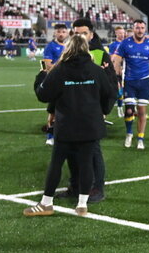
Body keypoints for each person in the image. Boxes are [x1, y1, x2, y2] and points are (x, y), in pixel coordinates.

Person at [23, 33, 114, 218]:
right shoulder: (96, 70)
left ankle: (46, 203)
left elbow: (43, 95)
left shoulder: (60, 69)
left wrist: (40, 76)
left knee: (56, 163)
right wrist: (102, 110)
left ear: (68, 48)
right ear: (85, 48)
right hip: (90, 125)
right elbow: (110, 93)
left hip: (67, 126)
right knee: (87, 163)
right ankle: (82, 205)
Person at [56, 18, 115, 204]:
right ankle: (75, 186)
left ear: (91, 34)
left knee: (93, 151)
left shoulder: (100, 54)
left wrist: (104, 111)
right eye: (76, 33)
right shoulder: (68, 54)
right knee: (72, 152)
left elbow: (111, 86)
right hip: (70, 114)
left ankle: (97, 188)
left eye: (83, 33)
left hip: (90, 115)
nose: (79, 36)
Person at [111, 17, 149, 150]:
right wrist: (118, 80)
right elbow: (117, 62)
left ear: (145, 29)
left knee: (142, 111)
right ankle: (129, 133)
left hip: (144, 82)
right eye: (137, 28)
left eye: (142, 28)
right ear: (133, 29)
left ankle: (140, 138)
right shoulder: (125, 43)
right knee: (129, 110)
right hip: (130, 81)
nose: (140, 30)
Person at [42, 23, 69, 145]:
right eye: (59, 32)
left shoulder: (69, 46)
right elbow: (48, 66)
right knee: (53, 111)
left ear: (67, 33)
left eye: (63, 31)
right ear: (55, 33)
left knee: (66, 109)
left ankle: (63, 133)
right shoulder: (50, 46)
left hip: (67, 83)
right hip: (54, 82)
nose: (61, 34)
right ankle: (50, 135)